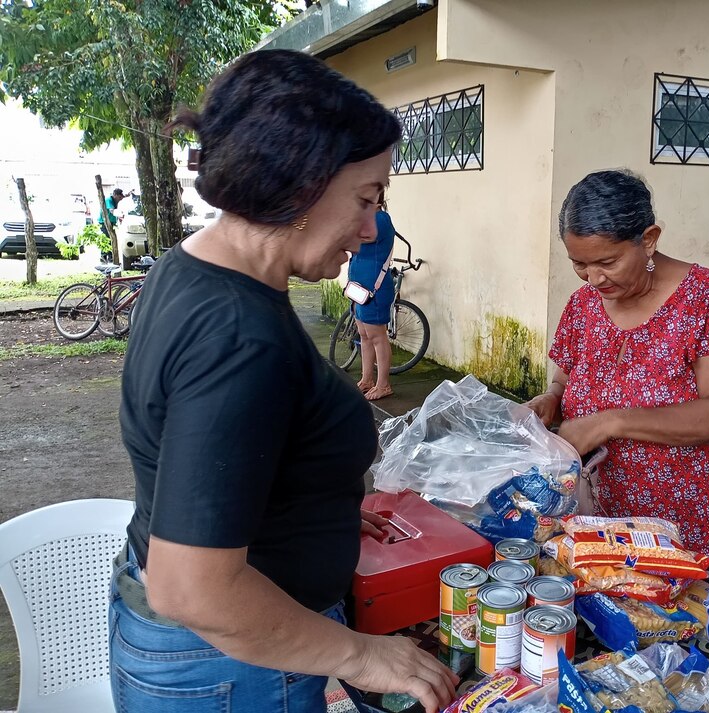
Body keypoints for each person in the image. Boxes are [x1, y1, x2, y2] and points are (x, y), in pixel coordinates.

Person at [113, 50, 458, 713]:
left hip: (200, 648)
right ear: (301, 184)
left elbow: (210, 453)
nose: (367, 230)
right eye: (366, 199)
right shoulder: (240, 336)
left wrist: (312, 497)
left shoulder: (193, 267)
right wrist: (362, 652)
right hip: (228, 660)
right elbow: (194, 590)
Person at [526, 169, 709, 586]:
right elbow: (564, 377)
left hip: (688, 526)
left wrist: (609, 421)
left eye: (608, 262)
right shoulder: (583, 305)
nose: (594, 278)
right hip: (601, 526)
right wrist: (552, 399)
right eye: (579, 264)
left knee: (698, 640)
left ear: (648, 239)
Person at [348, 198, 397, 400]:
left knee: (377, 336)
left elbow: (358, 237)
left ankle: (383, 384)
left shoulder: (381, 219)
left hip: (375, 288)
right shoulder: (363, 218)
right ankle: (367, 379)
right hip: (359, 288)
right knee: (364, 335)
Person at [98, 187, 124, 262]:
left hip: (111, 222)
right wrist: (119, 215)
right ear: (115, 195)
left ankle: (109, 256)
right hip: (104, 222)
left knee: (111, 239)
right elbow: (112, 210)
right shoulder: (109, 200)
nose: (120, 199)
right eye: (119, 197)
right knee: (107, 239)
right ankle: (104, 256)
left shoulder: (115, 201)